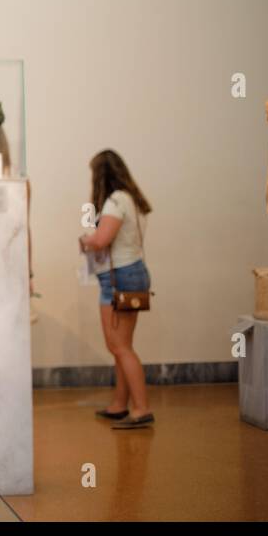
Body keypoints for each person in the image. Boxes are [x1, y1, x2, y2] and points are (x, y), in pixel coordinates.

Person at [78, 149, 154, 429]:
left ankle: (141, 408)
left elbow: (102, 239)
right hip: (131, 273)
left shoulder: (115, 200)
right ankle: (120, 404)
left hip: (119, 278)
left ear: (102, 175)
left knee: (119, 346)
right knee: (122, 346)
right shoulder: (130, 199)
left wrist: (87, 240)